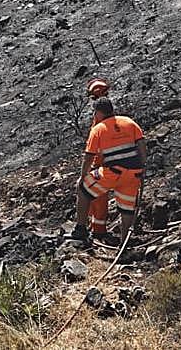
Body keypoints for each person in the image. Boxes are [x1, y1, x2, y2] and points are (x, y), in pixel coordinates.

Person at [71, 97, 146, 252]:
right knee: (127, 209)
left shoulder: (98, 129)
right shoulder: (129, 122)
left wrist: (83, 176)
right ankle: (123, 243)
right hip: (133, 174)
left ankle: (81, 229)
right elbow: (141, 145)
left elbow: (89, 156)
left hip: (112, 172)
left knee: (83, 190)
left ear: (98, 112)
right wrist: (142, 166)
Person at [84, 78, 115, 242]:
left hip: (102, 163)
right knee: (95, 197)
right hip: (106, 162)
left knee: (96, 196)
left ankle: (98, 229)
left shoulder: (100, 117)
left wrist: (89, 168)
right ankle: (96, 227)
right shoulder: (108, 112)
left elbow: (95, 146)